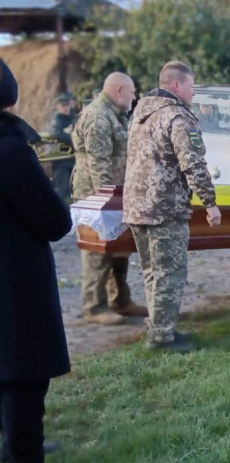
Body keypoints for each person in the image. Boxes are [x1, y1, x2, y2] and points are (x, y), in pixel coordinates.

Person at [0, 58, 77, 463]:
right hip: (14, 279)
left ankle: (12, 444)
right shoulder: (10, 149)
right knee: (24, 374)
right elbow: (52, 220)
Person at [123, 61, 222, 352]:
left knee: (153, 271)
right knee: (170, 272)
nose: (194, 93)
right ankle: (162, 337)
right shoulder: (177, 116)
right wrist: (210, 202)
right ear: (177, 85)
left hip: (137, 207)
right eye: (192, 86)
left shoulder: (139, 114)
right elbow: (192, 162)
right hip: (164, 207)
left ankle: (160, 328)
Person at [72, 72, 148, 325]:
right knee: (98, 250)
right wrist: (106, 201)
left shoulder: (113, 115)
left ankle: (121, 301)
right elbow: (99, 163)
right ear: (118, 91)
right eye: (132, 92)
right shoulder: (98, 116)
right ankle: (94, 306)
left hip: (115, 195)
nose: (134, 97)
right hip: (96, 197)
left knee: (119, 248)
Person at [48, 91, 77, 204]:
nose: (66, 108)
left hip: (72, 160)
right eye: (63, 105)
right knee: (62, 192)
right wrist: (73, 139)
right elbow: (56, 133)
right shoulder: (57, 119)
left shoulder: (73, 117)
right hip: (60, 161)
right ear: (58, 106)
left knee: (73, 192)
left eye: (67, 105)